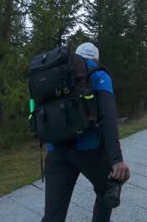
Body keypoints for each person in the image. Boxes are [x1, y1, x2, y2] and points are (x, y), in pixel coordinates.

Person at [42, 42, 130, 222]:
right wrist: (117, 159)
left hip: (56, 152)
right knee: (107, 190)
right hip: (90, 151)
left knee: (53, 214)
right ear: (96, 59)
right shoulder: (99, 75)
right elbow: (108, 117)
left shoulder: (56, 74)